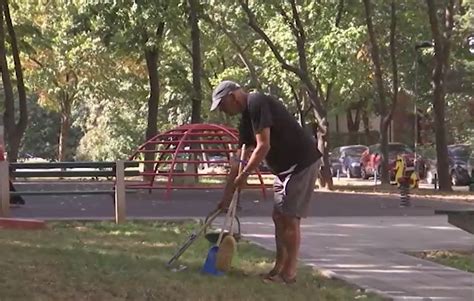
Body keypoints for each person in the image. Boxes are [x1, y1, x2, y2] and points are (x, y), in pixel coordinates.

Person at [210, 80, 322, 284]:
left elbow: (263, 146)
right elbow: (239, 158)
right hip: (283, 170)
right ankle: (278, 267)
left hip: (301, 163)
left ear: (232, 97)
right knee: (278, 217)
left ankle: (289, 273)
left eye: (222, 106)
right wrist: (226, 196)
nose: (223, 112)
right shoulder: (246, 119)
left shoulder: (257, 102)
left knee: (289, 218)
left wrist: (244, 176)